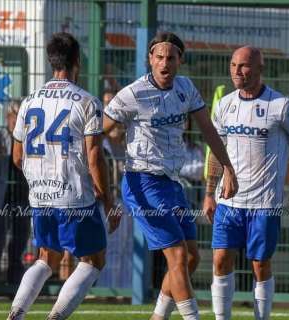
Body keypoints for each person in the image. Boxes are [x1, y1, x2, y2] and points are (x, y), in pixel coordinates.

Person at [103, 31, 238, 320]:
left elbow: (208, 130)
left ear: (180, 61)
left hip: (172, 184)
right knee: (176, 257)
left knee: (190, 258)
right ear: (150, 59)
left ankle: (158, 316)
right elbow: (98, 131)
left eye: (171, 57)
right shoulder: (133, 93)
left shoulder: (185, 88)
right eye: (159, 57)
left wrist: (228, 166)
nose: (165, 63)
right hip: (143, 181)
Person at [7, 32, 118, 320]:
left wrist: (40, 177)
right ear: (77, 61)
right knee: (94, 260)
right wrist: (108, 202)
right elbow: (95, 157)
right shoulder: (87, 102)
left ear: (50, 60)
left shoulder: (30, 101)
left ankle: (15, 315)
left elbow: (17, 157)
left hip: (40, 196)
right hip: (74, 195)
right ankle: (55, 317)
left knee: (47, 258)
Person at [203, 46, 289, 320]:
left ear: (260, 69)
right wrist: (209, 192)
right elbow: (218, 151)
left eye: (244, 66)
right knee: (220, 259)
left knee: (260, 264)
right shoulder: (225, 104)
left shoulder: (281, 106)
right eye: (232, 65)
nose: (236, 71)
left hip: (265, 204)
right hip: (229, 201)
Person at [0, 99, 29, 284]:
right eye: (13, 116)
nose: (16, 121)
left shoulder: (30, 142)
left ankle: (14, 286)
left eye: (20, 117)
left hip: (22, 197)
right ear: (7, 118)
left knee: (19, 243)